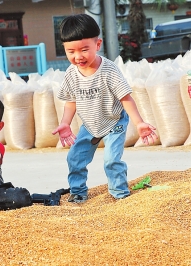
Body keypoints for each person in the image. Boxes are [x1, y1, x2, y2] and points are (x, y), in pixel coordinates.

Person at [52, 14, 157, 203]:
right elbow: (71, 101)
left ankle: (120, 194)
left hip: (114, 121)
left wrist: (139, 123)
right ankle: (77, 192)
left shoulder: (109, 71)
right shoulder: (71, 73)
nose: (78, 57)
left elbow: (125, 98)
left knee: (111, 160)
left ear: (97, 45)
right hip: (90, 124)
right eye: (71, 51)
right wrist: (65, 123)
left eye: (84, 50)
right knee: (75, 158)